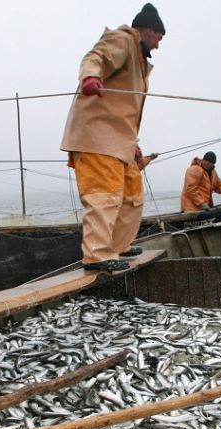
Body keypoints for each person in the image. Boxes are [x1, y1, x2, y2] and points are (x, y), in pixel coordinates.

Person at [60, 3, 165, 272]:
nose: (157, 46)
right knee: (104, 194)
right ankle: (96, 255)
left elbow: (124, 110)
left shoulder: (140, 63)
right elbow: (95, 57)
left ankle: (118, 246)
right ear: (148, 30)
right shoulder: (123, 39)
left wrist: (135, 145)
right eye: (158, 39)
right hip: (96, 137)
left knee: (132, 192)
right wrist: (91, 78)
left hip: (120, 142)